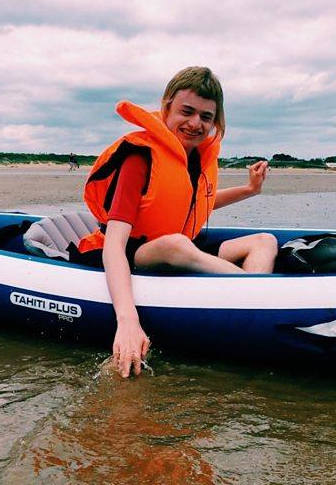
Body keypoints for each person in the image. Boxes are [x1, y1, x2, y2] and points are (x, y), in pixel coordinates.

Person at [72, 66, 277, 378]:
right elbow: (114, 244)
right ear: (166, 106)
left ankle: (245, 312)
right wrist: (127, 320)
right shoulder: (139, 158)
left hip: (178, 251)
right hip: (132, 252)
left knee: (264, 241)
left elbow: (199, 201)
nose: (196, 123)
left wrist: (250, 190)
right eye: (187, 111)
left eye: (206, 117)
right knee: (177, 244)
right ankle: (264, 297)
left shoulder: (193, 156)